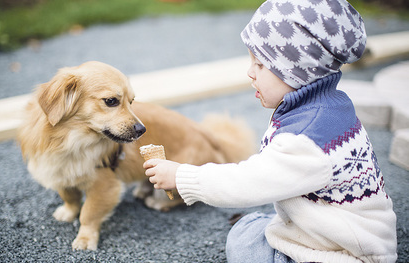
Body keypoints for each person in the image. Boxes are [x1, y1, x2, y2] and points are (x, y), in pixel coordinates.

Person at [143, 0, 398, 262]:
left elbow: (245, 183)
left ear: (297, 70)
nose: (250, 72)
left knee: (246, 247)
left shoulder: (306, 139)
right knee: (253, 229)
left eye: (261, 65)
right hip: (345, 232)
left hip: (347, 253)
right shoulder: (330, 106)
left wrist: (182, 177)